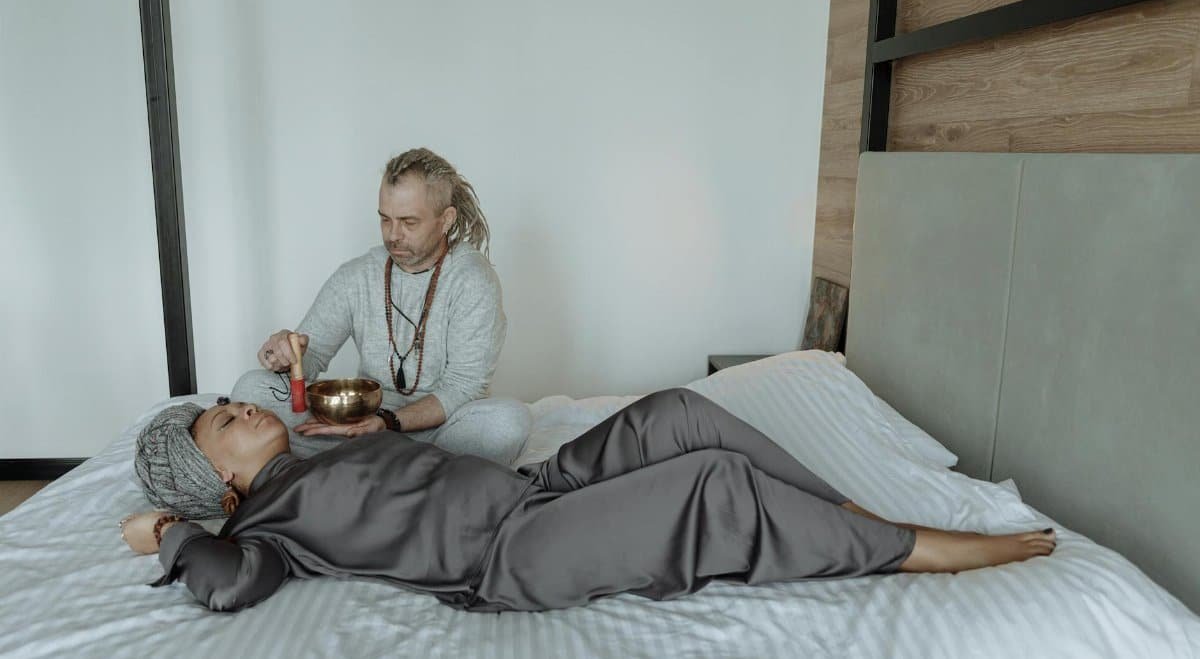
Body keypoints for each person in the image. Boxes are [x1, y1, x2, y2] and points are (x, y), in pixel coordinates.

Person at [125, 388, 1056, 613]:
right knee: (712, 483)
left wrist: (375, 431)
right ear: (216, 480)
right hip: (508, 556)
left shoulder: (322, 446)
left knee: (678, 415)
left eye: (229, 402)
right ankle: (907, 549)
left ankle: (842, 509)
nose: (239, 407)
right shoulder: (258, 525)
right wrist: (167, 531)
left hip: (528, 491)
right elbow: (227, 582)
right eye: (219, 424)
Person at [231, 147, 530, 464]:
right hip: (359, 425)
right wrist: (282, 355)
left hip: (438, 429)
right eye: (385, 220)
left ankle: (371, 462)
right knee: (251, 387)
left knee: (508, 421)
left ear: (446, 220)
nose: (394, 235)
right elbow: (311, 357)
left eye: (409, 222)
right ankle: (411, 469)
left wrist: (388, 422)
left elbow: (462, 388)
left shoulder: (472, 279)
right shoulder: (358, 274)